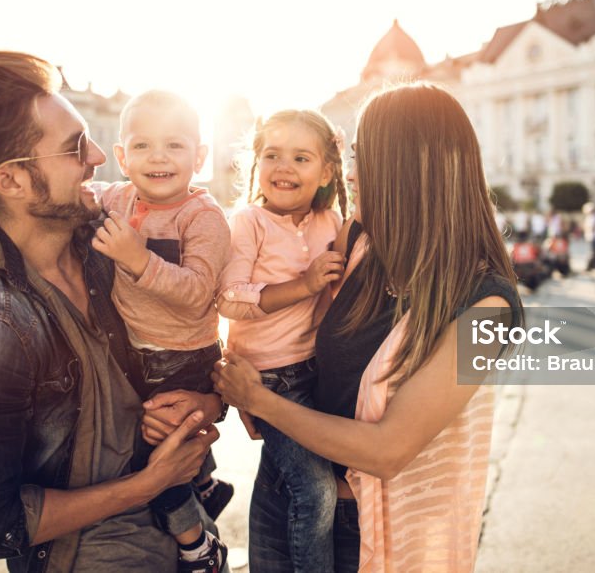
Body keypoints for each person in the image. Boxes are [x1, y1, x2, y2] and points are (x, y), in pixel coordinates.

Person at [0, 50, 221, 572]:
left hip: (188, 546)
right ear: (9, 180)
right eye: (76, 146)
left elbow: (192, 325)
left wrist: (207, 400)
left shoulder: (111, 237)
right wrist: (150, 483)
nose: (100, 156)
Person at [211, 83, 524, 571]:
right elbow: (276, 319)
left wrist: (260, 401)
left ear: (411, 169)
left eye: (364, 158)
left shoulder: (489, 308)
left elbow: (388, 450)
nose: (349, 174)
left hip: (370, 529)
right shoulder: (355, 239)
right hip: (286, 489)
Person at [89, 89, 233, 570]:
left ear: (200, 156)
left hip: (183, 354)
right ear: (123, 157)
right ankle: (207, 485)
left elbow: (197, 293)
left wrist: (136, 258)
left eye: (174, 145)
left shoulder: (203, 216)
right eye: (144, 146)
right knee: (172, 440)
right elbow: (78, 195)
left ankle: (198, 546)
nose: (159, 158)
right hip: (138, 352)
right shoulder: (117, 196)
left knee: (157, 458)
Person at [216, 109, 346, 572]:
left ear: (326, 171)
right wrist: (304, 286)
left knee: (290, 484)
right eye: (272, 154)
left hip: (313, 373)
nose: (284, 166)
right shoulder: (248, 221)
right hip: (267, 378)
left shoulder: (331, 222)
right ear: (256, 162)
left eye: (301, 157)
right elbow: (228, 298)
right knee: (316, 490)